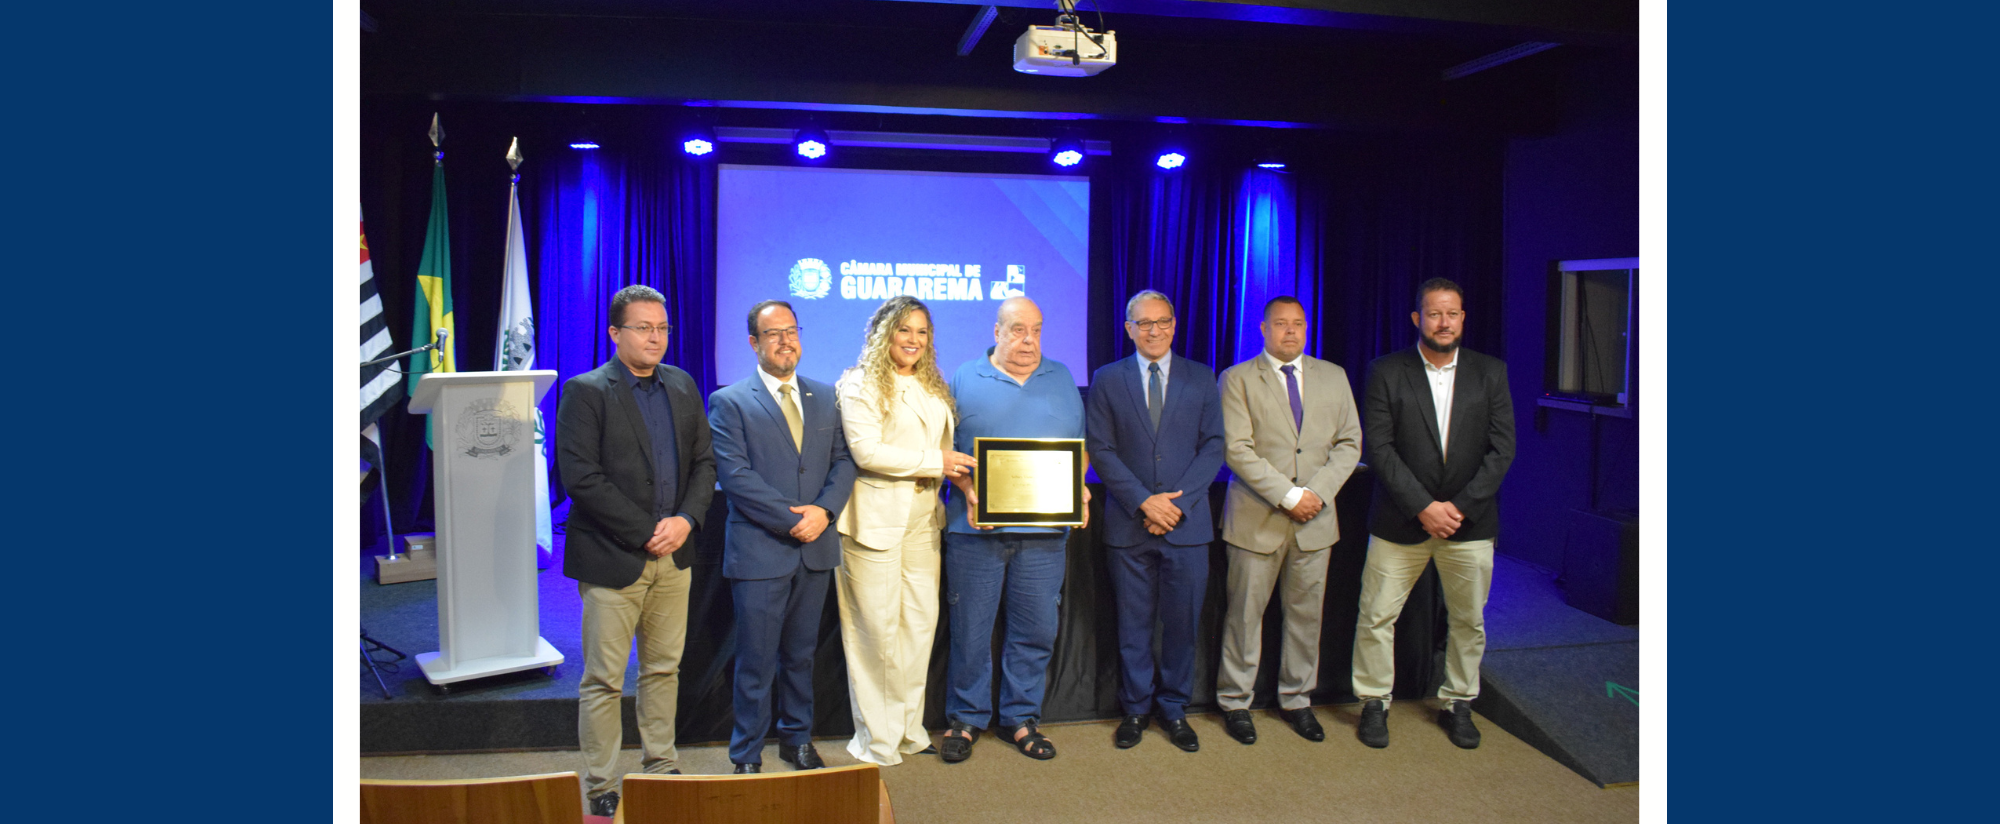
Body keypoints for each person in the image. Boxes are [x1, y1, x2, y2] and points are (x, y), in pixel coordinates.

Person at [555, 284, 716, 817]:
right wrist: (649, 529)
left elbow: (704, 465)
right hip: (612, 557)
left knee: (663, 669)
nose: (655, 337)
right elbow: (580, 476)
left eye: (662, 328)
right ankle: (601, 781)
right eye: (644, 327)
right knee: (602, 678)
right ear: (615, 333)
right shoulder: (587, 391)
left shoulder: (683, 385)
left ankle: (660, 765)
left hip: (675, 557)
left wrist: (687, 520)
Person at [1350, 278, 1516, 750]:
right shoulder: (1386, 370)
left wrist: (1457, 509)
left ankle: (1458, 701)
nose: (1444, 322)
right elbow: (1378, 447)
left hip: (1470, 525)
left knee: (1469, 621)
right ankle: (1374, 702)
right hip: (1400, 521)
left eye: (1453, 313)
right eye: (1434, 313)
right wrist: (1423, 507)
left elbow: (1502, 450)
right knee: (1376, 616)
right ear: (1417, 319)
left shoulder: (1491, 372)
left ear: (1463, 318)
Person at [708, 300, 856, 774]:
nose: (785, 341)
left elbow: (843, 463)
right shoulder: (730, 401)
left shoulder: (823, 395)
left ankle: (797, 741)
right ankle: (747, 754)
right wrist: (795, 519)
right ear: (754, 343)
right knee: (755, 661)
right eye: (773, 334)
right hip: (760, 551)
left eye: (791, 331)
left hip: (815, 549)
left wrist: (825, 511)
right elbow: (735, 476)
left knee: (800, 656)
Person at [940, 296, 1090, 763]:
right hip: (975, 532)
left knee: (1036, 629)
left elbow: (1077, 452)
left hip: (1045, 536)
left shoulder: (1061, 377)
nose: (1029, 341)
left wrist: (1078, 489)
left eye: (1037, 331)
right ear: (997, 331)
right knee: (971, 629)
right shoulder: (964, 378)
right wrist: (966, 485)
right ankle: (966, 719)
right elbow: (944, 453)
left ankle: (1022, 718)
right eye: (1018, 330)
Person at [833, 296, 975, 767]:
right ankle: (877, 739)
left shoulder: (932, 386)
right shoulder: (858, 383)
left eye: (922, 332)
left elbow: (945, 451)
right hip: (873, 519)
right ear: (883, 334)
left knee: (918, 627)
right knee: (874, 632)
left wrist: (966, 485)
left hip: (923, 518)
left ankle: (909, 730)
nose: (914, 340)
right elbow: (867, 452)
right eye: (904, 330)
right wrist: (937, 463)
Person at [1214, 295, 1362, 746]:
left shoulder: (1333, 376)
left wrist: (1314, 495)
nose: (1291, 332)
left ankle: (1297, 699)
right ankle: (1235, 701)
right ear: (1263, 329)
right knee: (1244, 616)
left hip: (1315, 522)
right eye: (1281, 324)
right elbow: (1237, 449)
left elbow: (1350, 444)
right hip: (1257, 519)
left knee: (1306, 618)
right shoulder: (1236, 378)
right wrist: (1289, 495)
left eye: (1298, 324)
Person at [1084, 290, 1225, 753]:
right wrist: (1145, 502)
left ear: (1174, 324)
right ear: (1129, 329)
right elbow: (1100, 450)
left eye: (1162, 321)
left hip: (1188, 527)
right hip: (1129, 525)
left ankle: (1175, 708)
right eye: (1143, 323)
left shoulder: (1202, 378)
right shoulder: (1107, 379)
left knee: (1183, 625)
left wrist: (1175, 507)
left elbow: (1214, 447)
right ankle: (1136, 709)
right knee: (1133, 625)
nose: (1154, 330)